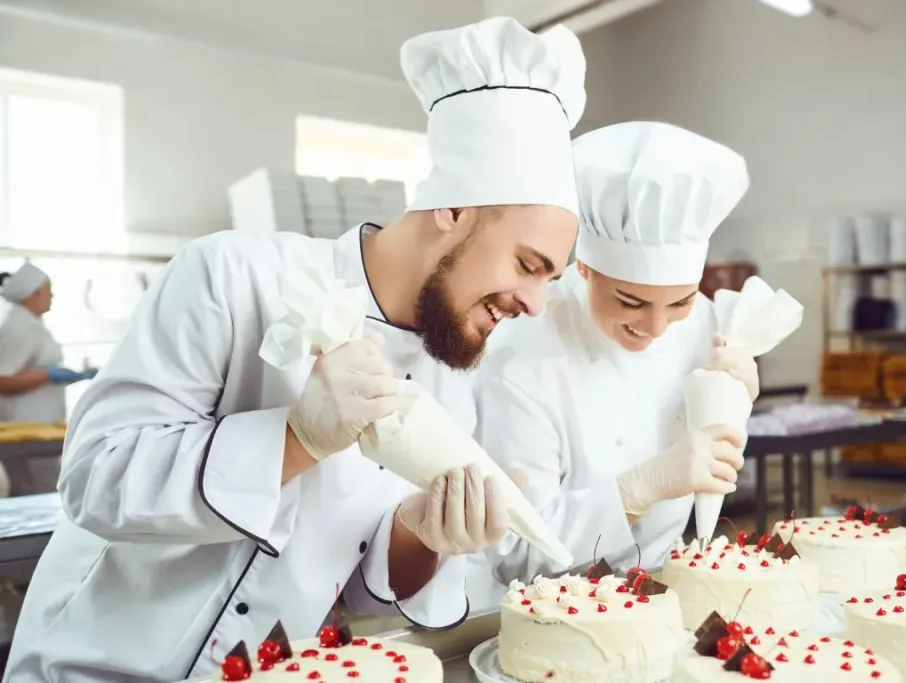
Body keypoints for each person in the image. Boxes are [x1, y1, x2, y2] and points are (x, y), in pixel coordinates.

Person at [3, 17, 586, 683]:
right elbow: (94, 479)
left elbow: (364, 586)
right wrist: (297, 437)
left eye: (551, 280)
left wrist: (424, 532)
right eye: (528, 263)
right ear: (452, 208)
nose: (535, 304)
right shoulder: (231, 277)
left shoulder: (451, 384)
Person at [468, 121, 758, 608]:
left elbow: (714, 452)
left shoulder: (702, 322)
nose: (657, 326)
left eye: (679, 302)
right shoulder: (522, 357)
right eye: (630, 301)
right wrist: (636, 490)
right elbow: (517, 553)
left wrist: (734, 402)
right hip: (551, 606)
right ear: (584, 267)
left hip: (665, 590)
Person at [0, 263, 96, 496]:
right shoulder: (17, 327)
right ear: (33, 294)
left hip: (44, 422)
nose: (52, 296)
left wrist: (71, 376)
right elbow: (2, 381)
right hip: (24, 425)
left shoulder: (32, 324)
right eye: (48, 290)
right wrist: (49, 375)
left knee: (44, 485)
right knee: (34, 489)